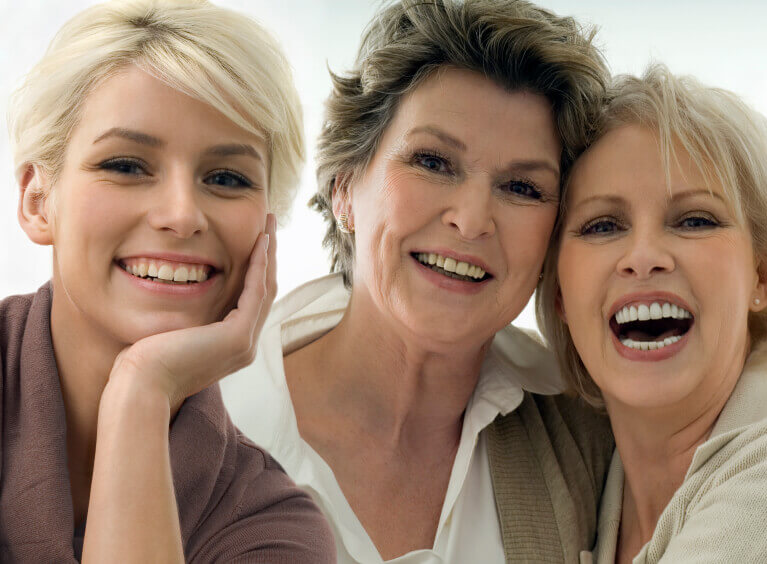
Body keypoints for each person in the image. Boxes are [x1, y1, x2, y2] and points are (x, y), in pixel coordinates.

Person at [221, 0, 614, 562]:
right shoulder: (202, 423)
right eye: (433, 162)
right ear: (344, 187)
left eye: (522, 188)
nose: (472, 221)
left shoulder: (589, 435)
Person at [0, 0, 334, 561]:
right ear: (38, 201)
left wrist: (141, 391)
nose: (182, 215)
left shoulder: (275, 528)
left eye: (226, 177)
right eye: (126, 166)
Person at [537, 64, 767, 563]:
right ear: (559, 294)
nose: (644, 256)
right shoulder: (590, 492)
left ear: (763, 276)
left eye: (695, 220)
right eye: (602, 226)